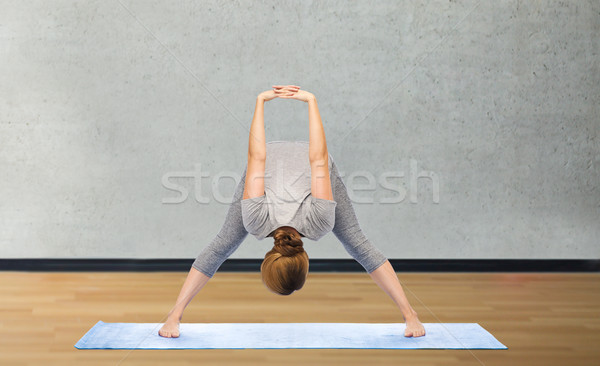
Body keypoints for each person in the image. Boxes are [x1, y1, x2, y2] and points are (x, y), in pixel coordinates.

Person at [159, 85, 426, 338]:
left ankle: (411, 315)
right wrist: (280, 102)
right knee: (358, 244)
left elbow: (267, 159)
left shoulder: (276, 220)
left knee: (223, 245)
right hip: (275, 162)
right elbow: (310, 160)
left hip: (271, 163)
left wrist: (288, 102)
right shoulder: (299, 221)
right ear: (266, 260)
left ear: (305, 262)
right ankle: (410, 314)